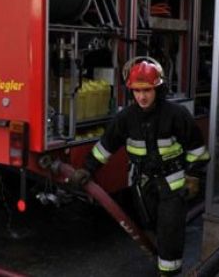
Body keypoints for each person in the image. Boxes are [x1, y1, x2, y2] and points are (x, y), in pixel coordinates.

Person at [71, 59, 209, 276]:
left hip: (172, 185)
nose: (142, 97)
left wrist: (193, 176)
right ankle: (162, 259)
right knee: (151, 228)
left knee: (170, 232)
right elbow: (105, 147)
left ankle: (169, 273)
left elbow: (198, 150)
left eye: (147, 90)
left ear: (157, 88)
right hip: (143, 186)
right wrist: (87, 169)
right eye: (137, 91)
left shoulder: (176, 115)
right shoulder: (126, 118)